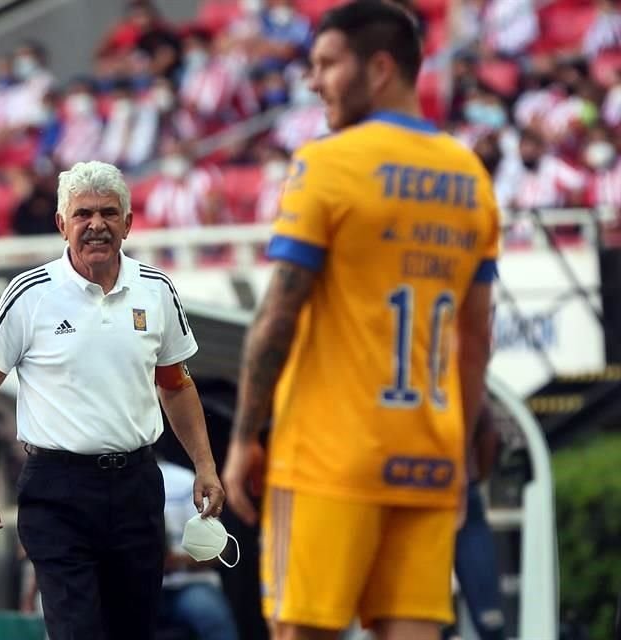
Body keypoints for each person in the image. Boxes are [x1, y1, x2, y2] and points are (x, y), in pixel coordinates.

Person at [221, 3, 499, 640]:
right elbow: (475, 339)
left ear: (378, 69)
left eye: (326, 65)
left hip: (328, 457)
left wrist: (241, 440)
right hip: (427, 457)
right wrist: (457, 453)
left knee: (301, 633)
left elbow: (278, 315)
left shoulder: (328, 163)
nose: (314, 82)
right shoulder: (471, 178)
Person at [0, 160, 225, 640]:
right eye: (83, 214)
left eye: (107, 213)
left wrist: (205, 465)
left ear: (128, 223)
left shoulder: (157, 290)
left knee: (134, 629)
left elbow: (176, 384)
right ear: (62, 224)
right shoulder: (29, 294)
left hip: (137, 486)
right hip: (58, 491)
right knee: (78, 630)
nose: (96, 224)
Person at [159, 458, 238, 640]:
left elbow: (220, 550)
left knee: (210, 614)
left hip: (188, 583)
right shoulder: (112, 483)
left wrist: (175, 561)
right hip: (135, 586)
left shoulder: (184, 481)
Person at [454, 405, 505, 640]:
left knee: (408, 612)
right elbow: (488, 432)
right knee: (489, 618)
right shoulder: (449, 371)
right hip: (462, 483)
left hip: (393, 487)